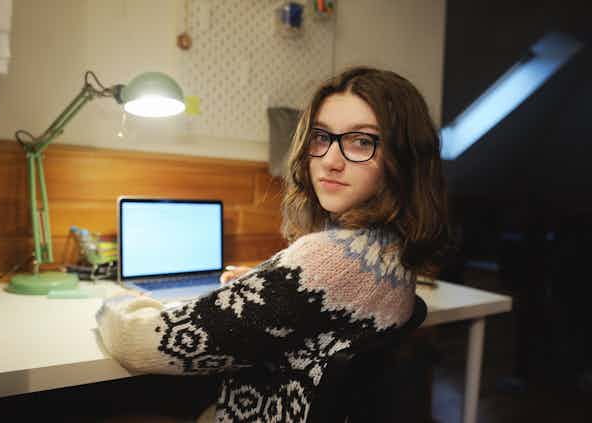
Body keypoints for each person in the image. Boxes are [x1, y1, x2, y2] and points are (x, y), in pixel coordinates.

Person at [97, 67, 450, 423]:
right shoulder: (394, 252)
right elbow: (320, 309)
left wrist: (119, 301)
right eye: (321, 137)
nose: (330, 159)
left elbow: (137, 343)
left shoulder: (327, 262)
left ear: (404, 159)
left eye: (362, 141)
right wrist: (265, 282)